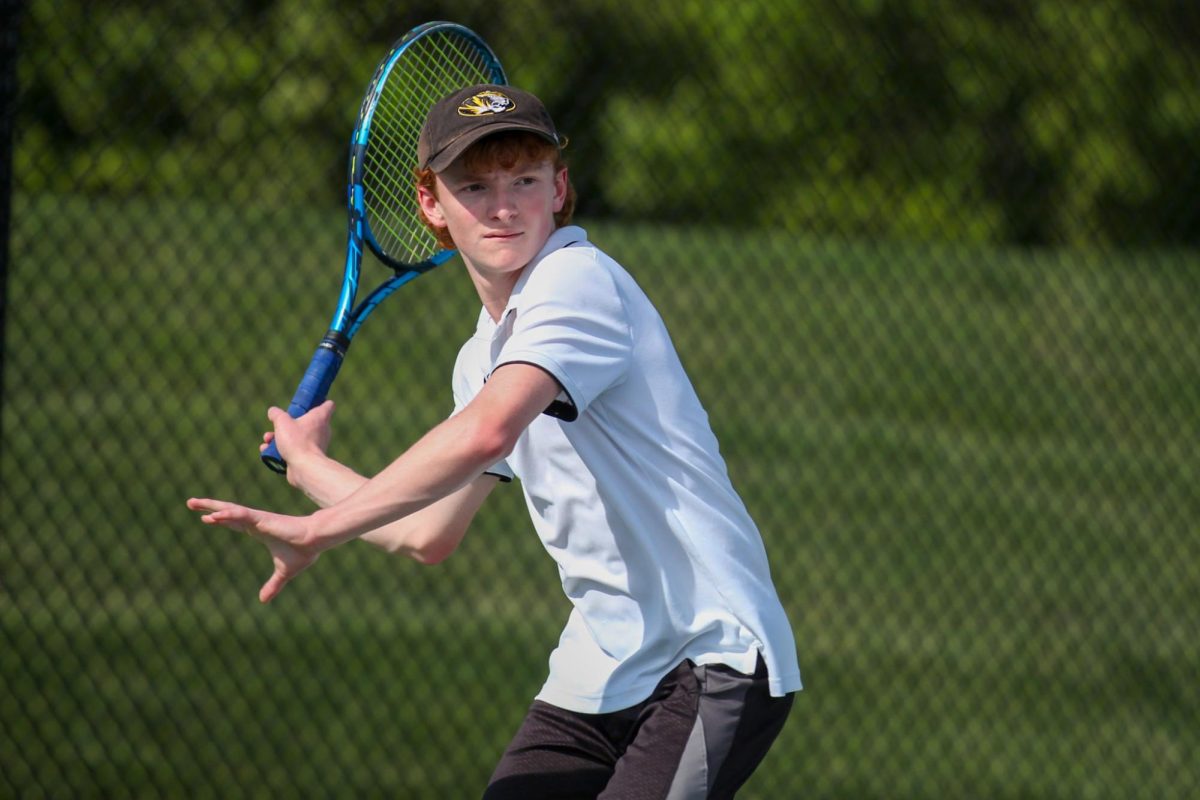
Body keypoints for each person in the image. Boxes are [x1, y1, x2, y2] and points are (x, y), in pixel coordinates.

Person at [188, 84, 802, 799]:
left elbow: (487, 431)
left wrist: (319, 529)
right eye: (474, 185)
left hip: (714, 654)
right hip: (604, 664)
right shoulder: (483, 356)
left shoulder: (577, 281)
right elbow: (428, 532)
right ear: (430, 204)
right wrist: (309, 469)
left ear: (559, 188)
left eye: (525, 180)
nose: (503, 206)